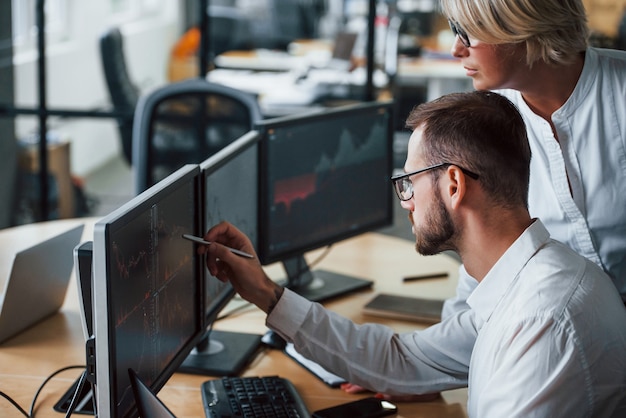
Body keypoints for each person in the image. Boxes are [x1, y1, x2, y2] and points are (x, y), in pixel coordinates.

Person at [200, 91, 626, 417]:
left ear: (454, 185)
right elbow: (403, 360)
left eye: (409, 180)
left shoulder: (541, 321)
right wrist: (266, 294)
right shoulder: (528, 284)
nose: (405, 199)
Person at [438, 0, 626, 320]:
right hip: (562, 331)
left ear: (522, 29)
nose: (456, 50)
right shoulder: (489, 124)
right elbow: (486, 262)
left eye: (467, 33)